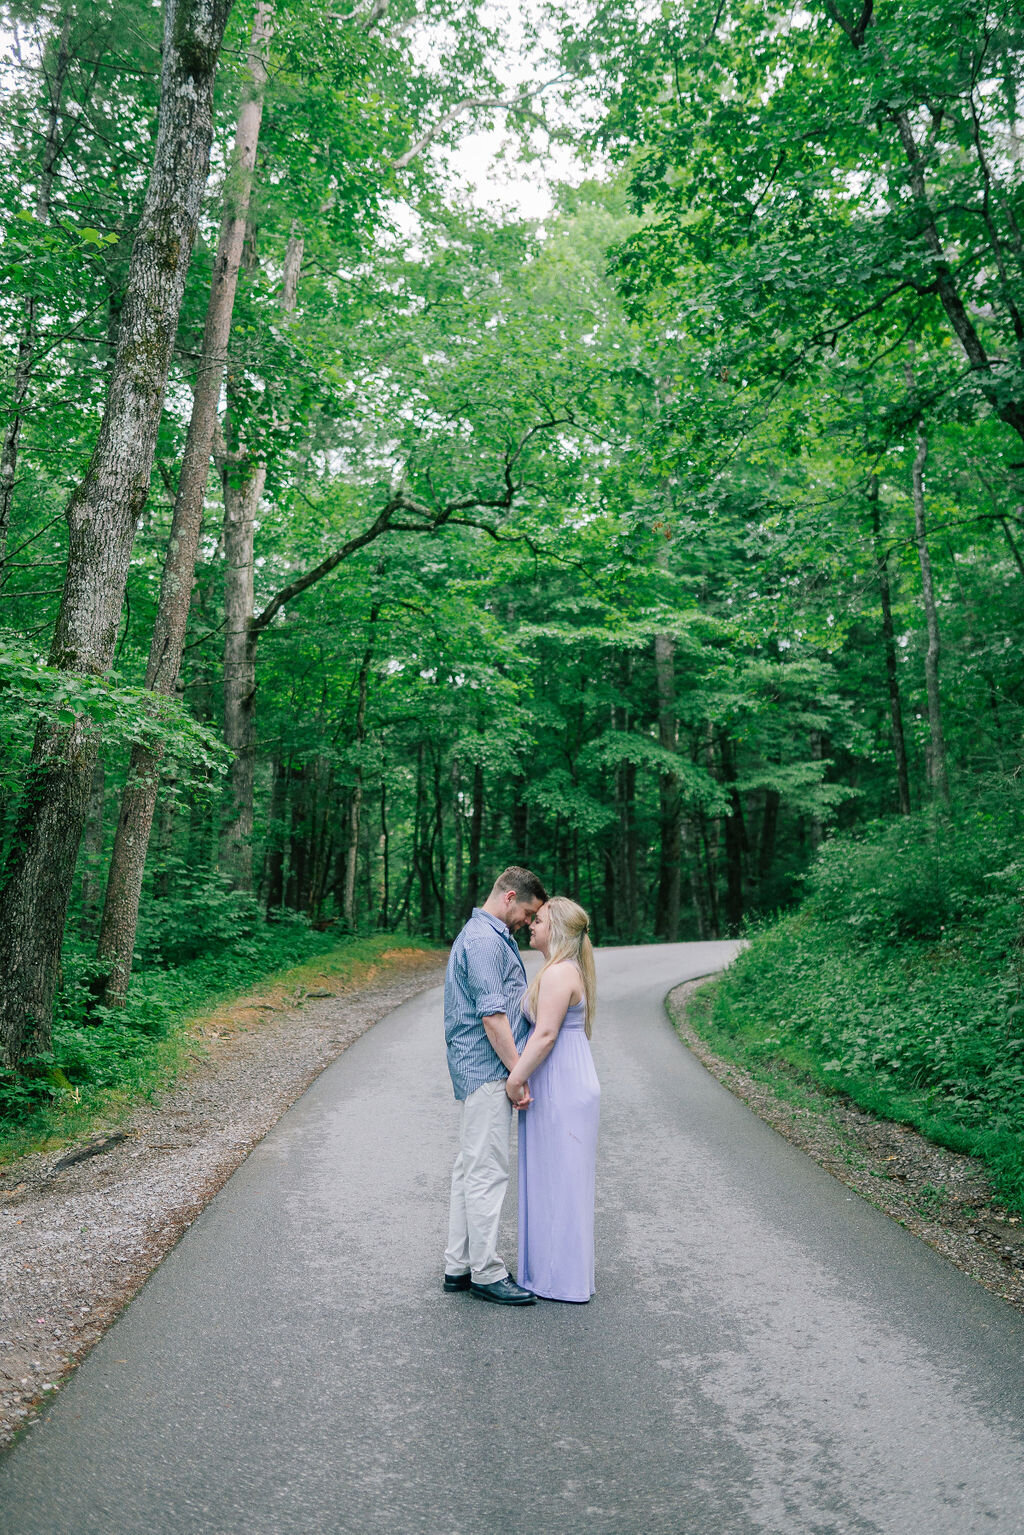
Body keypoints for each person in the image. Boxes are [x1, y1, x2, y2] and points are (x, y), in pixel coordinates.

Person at [443, 865, 548, 1305]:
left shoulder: (487, 934)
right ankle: (486, 1272)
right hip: (488, 1071)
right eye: (528, 912)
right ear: (509, 898)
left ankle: (459, 1265)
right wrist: (517, 1074)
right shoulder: (486, 940)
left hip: (481, 1070)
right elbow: (492, 1015)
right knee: (487, 1170)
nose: (528, 922)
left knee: (469, 1169)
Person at [507, 897, 600, 1303]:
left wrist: (515, 1079)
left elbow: (545, 1034)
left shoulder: (560, 973)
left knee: (560, 1177)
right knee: (551, 1175)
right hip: (561, 1076)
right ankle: (547, 1271)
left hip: (562, 1081)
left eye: (539, 920)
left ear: (557, 929)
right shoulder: (560, 969)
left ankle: (560, 1278)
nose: (531, 924)